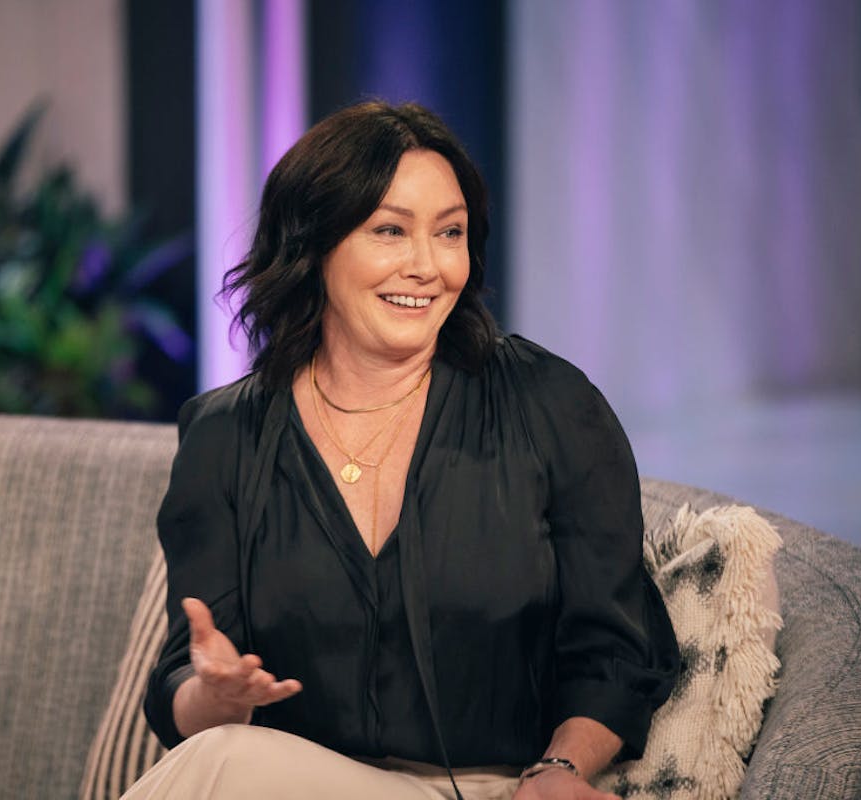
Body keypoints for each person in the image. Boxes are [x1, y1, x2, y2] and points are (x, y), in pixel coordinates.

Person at [127, 101, 679, 800]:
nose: (426, 266)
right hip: (285, 783)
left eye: (449, 233)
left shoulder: (548, 405)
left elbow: (616, 652)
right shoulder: (225, 436)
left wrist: (561, 769)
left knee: (225, 764)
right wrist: (217, 695)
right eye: (390, 230)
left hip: (492, 789)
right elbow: (184, 680)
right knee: (226, 756)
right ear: (313, 245)